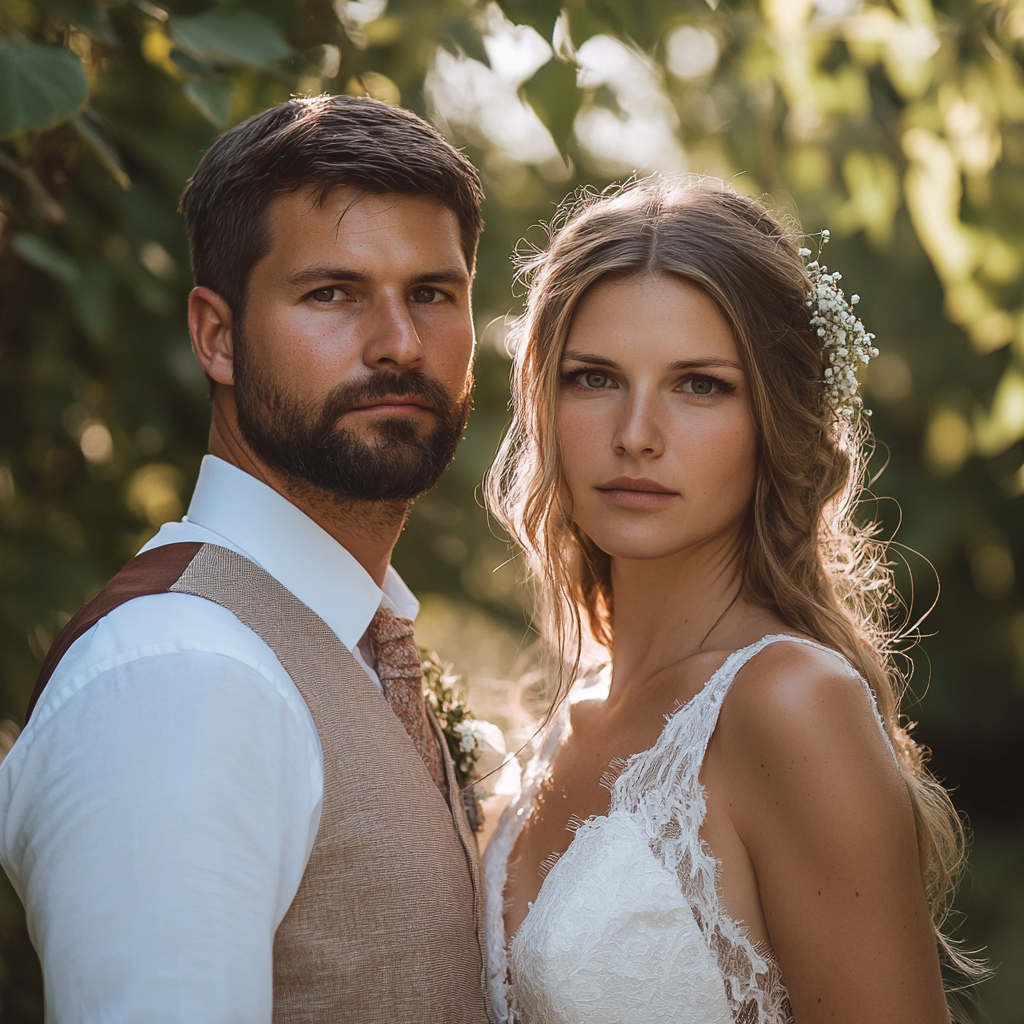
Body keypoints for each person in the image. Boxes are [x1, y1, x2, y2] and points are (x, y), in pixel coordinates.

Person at [0, 95, 495, 1023]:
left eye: (433, 293)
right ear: (216, 337)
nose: (399, 342)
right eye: (332, 293)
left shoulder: (351, 640)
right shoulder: (178, 674)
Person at [483, 178, 971, 1023]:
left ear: (774, 417)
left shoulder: (791, 705)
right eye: (594, 378)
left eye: (699, 385)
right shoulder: (563, 724)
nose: (637, 432)